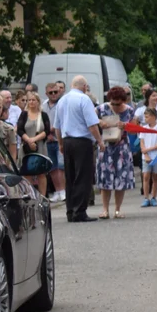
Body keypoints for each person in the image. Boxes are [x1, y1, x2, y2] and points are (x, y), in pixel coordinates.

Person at [54, 76, 103, 223]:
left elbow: (57, 125)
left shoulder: (62, 100)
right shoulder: (84, 99)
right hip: (82, 141)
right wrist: (100, 141)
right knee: (83, 177)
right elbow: (92, 124)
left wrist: (60, 144)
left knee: (70, 177)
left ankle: (70, 210)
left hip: (67, 141)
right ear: (84, 86)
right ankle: (80, 211)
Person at [95, 87, 136, 219]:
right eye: (113, 103)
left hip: (122, 147)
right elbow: (90, 122)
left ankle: (117, 209)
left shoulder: (129, 111)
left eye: (119, 103)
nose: (116, 106)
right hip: (105, 146)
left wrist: (125, 125)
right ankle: (105, 209)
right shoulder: (100, 109)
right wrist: (100, 122)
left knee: (121, 179)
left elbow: (134, 130)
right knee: (105, 178)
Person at [16, 92, 51, 196]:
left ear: (38, 102)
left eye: (33, 100)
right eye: (29, 100)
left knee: (41, 173)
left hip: (40, 146)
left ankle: (43, 196)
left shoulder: (43, 115)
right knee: (27, 172)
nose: (31, 102)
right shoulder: (24, 114)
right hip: (26, 146)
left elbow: (47, 130)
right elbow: (20, 129)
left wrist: (34, 139)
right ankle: (30, 195)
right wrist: (29, 140)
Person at [44, 82, 66, 203]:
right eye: (50, 92)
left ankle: (63, 190)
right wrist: (47, 133)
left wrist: (54, 130)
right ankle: (57, 191)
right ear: (46, 93)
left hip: (60, 139)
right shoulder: (43, 105)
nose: (53, 94)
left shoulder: (63, 104)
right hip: (48, 138)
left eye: (55, 92)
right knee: (52, 167)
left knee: (61, 166)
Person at [139, 108, 157, 208]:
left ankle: (153, 197)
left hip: (156, 156)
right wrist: (146, 154)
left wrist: (148, 149)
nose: (145, 118)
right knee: (146, 177)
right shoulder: (143, 128)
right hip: (146, 157)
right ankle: (146, 198)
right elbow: (142, 143)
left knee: (155, 177)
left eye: (147, 116)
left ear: (153, 116)